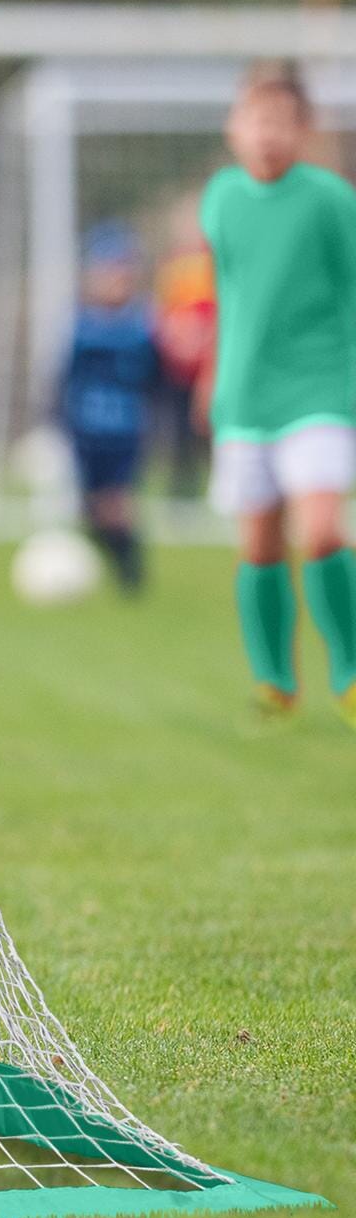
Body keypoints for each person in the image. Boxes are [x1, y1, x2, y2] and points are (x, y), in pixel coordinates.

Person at [200, 63, 356, 723]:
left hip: (321, 387)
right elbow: (230, 297)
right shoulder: (222, 201)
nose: (267, 136)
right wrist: (214, 371)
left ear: (304, 131)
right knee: (259, 545)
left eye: (281, 124)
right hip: (245, 397)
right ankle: (274, 680)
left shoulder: (330, 200)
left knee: (319, 531)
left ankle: (349, 672)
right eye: (256, 122)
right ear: (235, 129)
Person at [59, 221, 158, 593]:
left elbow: (156, 379)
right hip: (85, 431)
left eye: (123, 272)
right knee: (92, 509)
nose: (117, 280)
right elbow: (62, 380)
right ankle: (111, 557)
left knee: (118, 503)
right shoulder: (79, 326)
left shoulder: (143, 326)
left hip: (124, 432)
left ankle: (132, 576)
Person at [152, 197, 217, 501]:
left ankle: (219, 488)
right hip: (179, 368)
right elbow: (164, 314)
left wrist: (204, 341)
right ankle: (183, 492)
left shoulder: (213, 264)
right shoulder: (173, 266)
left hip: (208, 366)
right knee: (179, 431)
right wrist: (178, 341)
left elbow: (219, 312)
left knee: (211, 430)